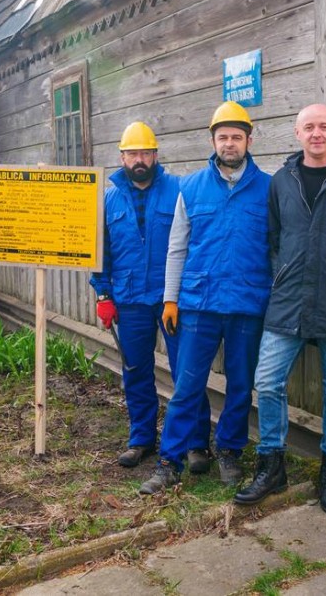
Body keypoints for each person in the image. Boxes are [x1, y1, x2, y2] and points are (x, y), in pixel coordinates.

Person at [232, 104, 326, 513]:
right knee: (267, 382)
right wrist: (285, 273)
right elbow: (274, 237)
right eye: (308, 127)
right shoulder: (282, 181)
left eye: (323, 127)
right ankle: (272, 463)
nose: (316, 134)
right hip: (288, 300)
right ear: (296, 134)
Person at [139, 101, 271, 494]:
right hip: (199, 304)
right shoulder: (191, 187)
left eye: (236, 136)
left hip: (248, 304)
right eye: (222, 137)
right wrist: (170, 299)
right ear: (212, 140)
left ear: (249, 140)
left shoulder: (269, 189)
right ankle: (169, 460)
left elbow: (277, 247)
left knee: (241, 385)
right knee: (187, 385)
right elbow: (176, 247)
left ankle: (230, 451)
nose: (229, 144)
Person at [91, 122, 210, 470]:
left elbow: (194, 242)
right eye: (132, 154)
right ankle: (141, 438)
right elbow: (101, 252)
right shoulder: (109, 199)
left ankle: (196, 443)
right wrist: (103, 294)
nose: (139, 160)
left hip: (173, 298)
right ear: (122, 157)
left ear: (156, 155)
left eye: (145, 153)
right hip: (130, 301)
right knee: (136, 370)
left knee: (186, 371)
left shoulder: (179, 190)